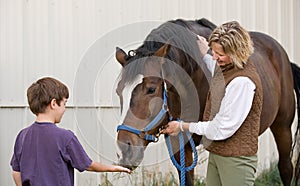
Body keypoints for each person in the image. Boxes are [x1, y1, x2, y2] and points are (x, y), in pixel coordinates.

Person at [162, 21, 263, 186]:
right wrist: (205, 52)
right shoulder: (229, 68)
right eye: (214, 52)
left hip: (236, 162)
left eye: (220, 54)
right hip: (218, 154)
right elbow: (215, 68)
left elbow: (220, 129)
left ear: (237, 52)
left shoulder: (242, 82)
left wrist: (183, 126)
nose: (215, 57)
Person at [10, 77, 131, 186]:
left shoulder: (22, 135)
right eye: (64, 103)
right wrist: (113, 168)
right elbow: (88, 165)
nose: (65, 109)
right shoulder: (65, 137)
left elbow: (16, 172)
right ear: (53, 103)